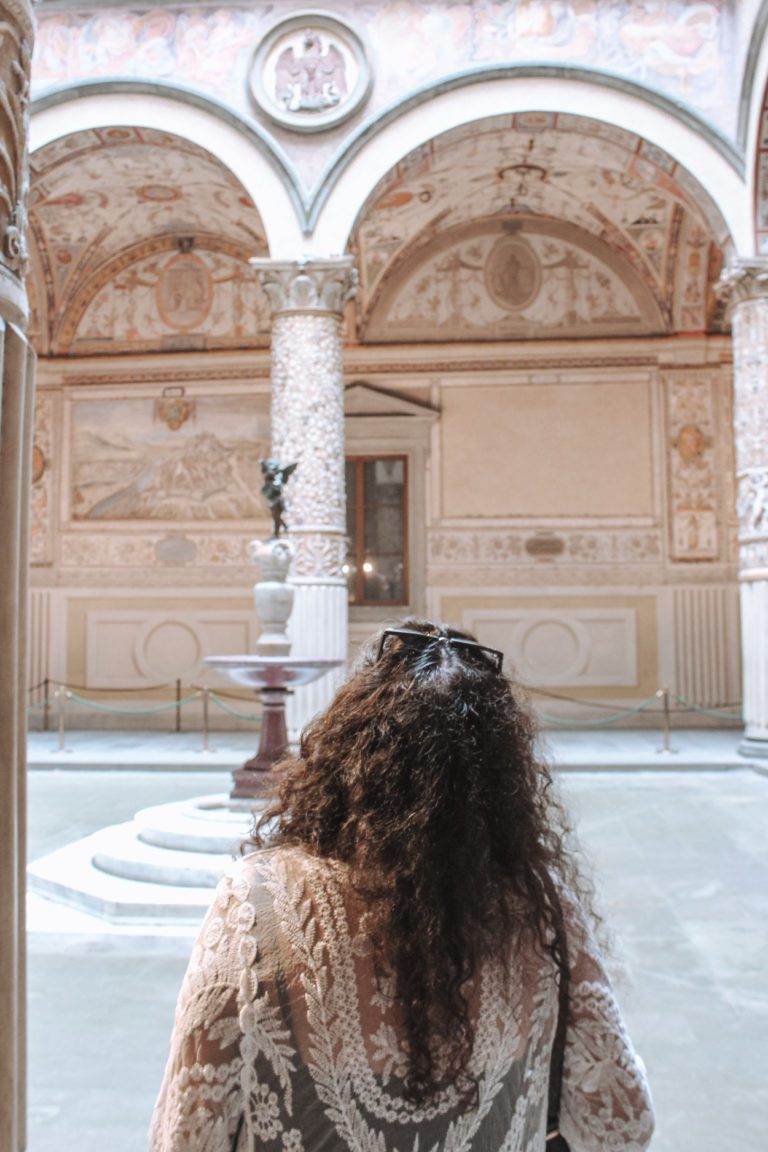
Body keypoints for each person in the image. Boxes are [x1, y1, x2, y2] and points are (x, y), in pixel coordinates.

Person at [150, 620, 654, 1152]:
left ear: (348, 755)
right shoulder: (539, 908)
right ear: (505, 784)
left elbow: (187, 1132)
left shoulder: (256, 902)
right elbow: (621, 1122)